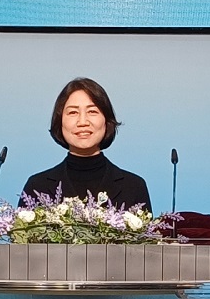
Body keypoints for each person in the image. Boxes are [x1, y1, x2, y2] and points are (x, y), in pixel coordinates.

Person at [19, 78, 151, 211]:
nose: (82, 122)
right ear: (60, 121)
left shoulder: (134, 187)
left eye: (92, 112)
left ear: (106, 121)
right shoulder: (37, 187)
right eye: (73, 112)